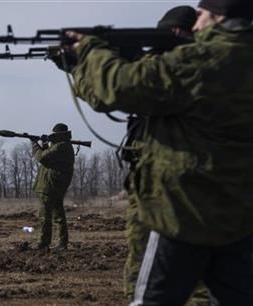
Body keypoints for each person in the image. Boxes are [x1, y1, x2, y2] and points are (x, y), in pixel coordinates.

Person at [53, 0, 253, 304]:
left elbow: (119, 87)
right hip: (238, 213)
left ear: (217, 15)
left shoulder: (200, 61)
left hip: (182, 210)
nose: (197, 24)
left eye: (201, 15)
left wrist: (91, 53)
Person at [123, 6, 211, 306]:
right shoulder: (152, 70)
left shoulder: (197, 71)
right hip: (145, 187)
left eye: (171, 33)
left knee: (196, 280)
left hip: (184, 190)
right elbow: (123, 89)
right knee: (140, 273)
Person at [32, 123, 75, 251]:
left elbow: (43, 157)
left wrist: (35, 145)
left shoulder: (61, 146)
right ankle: (62, 243)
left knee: (45, 216)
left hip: (51, 185)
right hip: (56, 185)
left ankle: (43, 243)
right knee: (58, 215)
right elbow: (49, 156)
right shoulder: (62, 146)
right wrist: (44, 144)